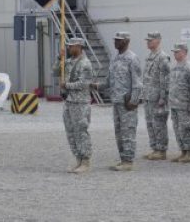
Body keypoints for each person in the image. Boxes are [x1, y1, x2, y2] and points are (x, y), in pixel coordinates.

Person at [92, 31, 142, 171]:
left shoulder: (132, 58)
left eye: (118, 40)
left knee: (128, 132)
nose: (115, 42)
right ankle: (123, 159)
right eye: (115, 40)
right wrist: (96, 85)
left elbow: (138, 83)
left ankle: (128, 161)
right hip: (116, 101)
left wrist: (133, 101)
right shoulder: (115, 58)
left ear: (126, 41)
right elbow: (109, 81)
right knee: (119, 132)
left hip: (127, 103)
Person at [58, 37, 94, 174]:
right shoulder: (68, 62)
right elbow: (55, 71)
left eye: (71, 46)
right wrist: (58, 58)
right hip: (69, 102)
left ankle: (85, 161)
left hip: (80, 103)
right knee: (71, 132)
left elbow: (83, 84)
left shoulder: (85, 64)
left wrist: (66, 85)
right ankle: (78, 159)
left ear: (79, 47)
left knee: (81, 131)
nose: (69, 48)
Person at [141, 32, 171, 161]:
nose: (148, 42)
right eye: (148, 40)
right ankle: (155, 148)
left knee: (159, 124)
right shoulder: (150, 56)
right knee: (150, 123)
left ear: (158, 41)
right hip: (148, 96)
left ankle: (161, 150)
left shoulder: (163, 57)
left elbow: (165, 79)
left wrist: (163, 97)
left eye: (151, 40)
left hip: (157, 97)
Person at [168, 43, 190, 163]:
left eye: (177, 52)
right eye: (174, 52)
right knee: (177, 129)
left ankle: (189, 152)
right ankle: (183, 151)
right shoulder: (175, 67)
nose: (175, 54)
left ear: (184, 52)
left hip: (185, 105)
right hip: (175, 104)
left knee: (186, 128)